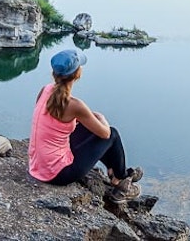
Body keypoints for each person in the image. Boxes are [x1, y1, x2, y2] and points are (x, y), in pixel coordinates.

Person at [28, 49, 143, 202]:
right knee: (112, 133)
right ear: (78, 74)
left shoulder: (45, 90)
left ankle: (114, 171)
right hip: (58, 174)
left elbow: (54, 123)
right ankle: (121, 180)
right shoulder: (75, 105)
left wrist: (83, 118)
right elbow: (105, 134)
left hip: (37, 165)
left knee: (89, 129)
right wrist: (101, 118)